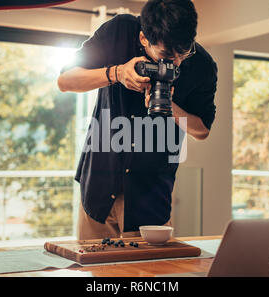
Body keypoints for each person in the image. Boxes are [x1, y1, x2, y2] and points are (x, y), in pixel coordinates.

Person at [58, 0, 218, 240]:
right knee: (93, 273)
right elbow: (65, 81)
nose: (175, 63)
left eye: (183, 52)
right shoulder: (119, 31)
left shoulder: (202, 66)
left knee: (147, 276)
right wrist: (117, 73)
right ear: (144, 39)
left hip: (151, 197)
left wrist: (170, 108)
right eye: (165, 54)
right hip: (99, 187)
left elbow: (202, 130)